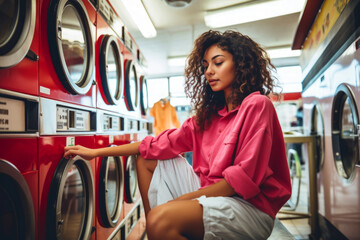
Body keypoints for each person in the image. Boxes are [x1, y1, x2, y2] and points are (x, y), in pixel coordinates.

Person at [64, 30, 291, 240]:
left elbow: (238, 183)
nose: (209, 71)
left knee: (161, 217)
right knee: (146, 159)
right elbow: (154, 145)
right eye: (205, 65)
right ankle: (161, 227)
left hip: (250, 207)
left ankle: (162, 222)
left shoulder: (257, 105)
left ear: (240, 64)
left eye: (218, 62)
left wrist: (179, 202)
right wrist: (96, 152)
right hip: (211, 194)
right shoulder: (208, 116)